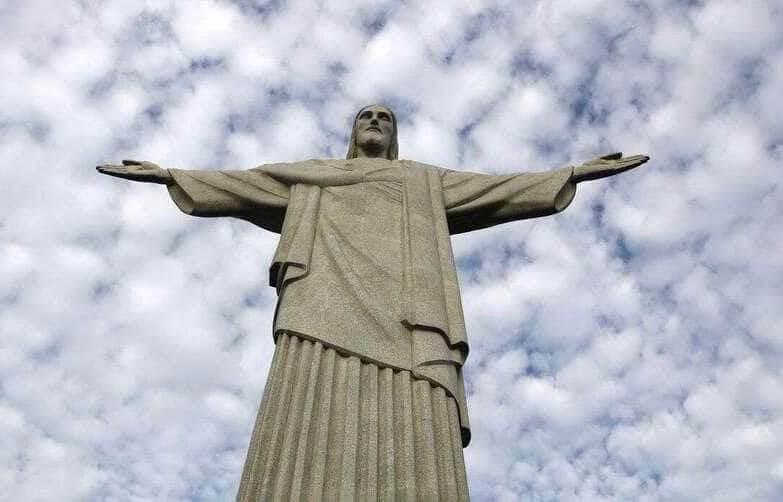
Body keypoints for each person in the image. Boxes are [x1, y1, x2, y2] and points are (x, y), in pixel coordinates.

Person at [97, 104, 648, 501]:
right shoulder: (313, 176)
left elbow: (494, 190)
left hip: (410, 316)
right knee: (306, 406)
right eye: (367, 117)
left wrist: (569, 173)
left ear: (396, 137)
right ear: (353, 133)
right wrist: (172, 175)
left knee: (413, 424)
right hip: (319, 303)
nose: (376, 124)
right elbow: (246, 184)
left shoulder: (421, 182)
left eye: (386, 118)